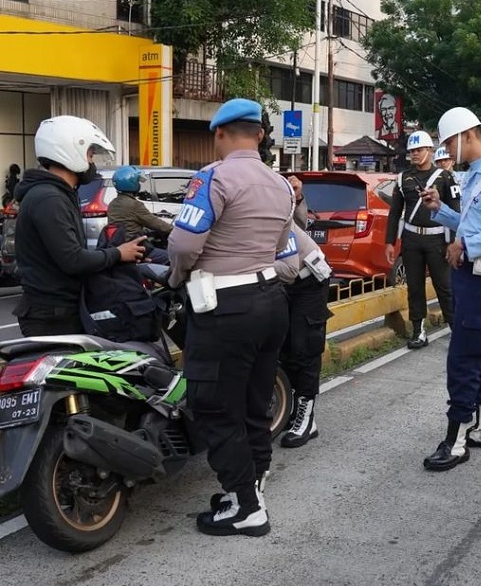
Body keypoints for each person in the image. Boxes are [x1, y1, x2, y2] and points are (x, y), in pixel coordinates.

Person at [168, 98, 294, 537]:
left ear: (219, 134)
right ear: (259, 135)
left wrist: (177, 276)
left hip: (225, 306)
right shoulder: (280, 185)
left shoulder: (212, 177)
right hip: (271, 301)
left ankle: (246, 508)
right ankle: (252, 487)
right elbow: (282, 245)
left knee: (214, 405)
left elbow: (184, 245)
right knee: (253, 405)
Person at [418, 107, 481, 471]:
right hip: (468, 275)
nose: (446, 150)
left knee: (463, 355)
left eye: (448, 141)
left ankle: (457, 437)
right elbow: (470, 223)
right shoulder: (476, 175)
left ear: (467, 135)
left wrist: (466, 246)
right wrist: (441, 210)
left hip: (480, 277)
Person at [12, 116, 146, 336]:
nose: (92, 162)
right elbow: (73, 259)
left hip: (60, 311)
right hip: (52, 317)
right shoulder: (49, 199)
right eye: (90, 155)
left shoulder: (57, 194)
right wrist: (118, 254)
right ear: (69, 151)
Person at [385, 131, 460, 349]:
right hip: (411, 239)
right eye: (412, 151)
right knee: (414, 286)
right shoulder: (403, 178)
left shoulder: (446, 177)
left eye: (419, 150)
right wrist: (390, 242)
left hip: (438, 239)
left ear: (430, 151)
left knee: (444, 286)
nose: (415, 154)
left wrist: (454, 242)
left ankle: (456, 328)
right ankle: (418, 330)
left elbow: (456, 210)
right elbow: (394, 212)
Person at [274, 201, 332, 449]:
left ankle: (307, 420)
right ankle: (291, 409)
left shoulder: (271, 214)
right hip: (283, 285)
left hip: (308, 281)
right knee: (283, 349)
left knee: (305, 348)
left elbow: (287, 269)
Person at [107, 165, 174, 264]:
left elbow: (127, 224)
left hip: (120, 245)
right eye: (138, 181)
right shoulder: (134, 205)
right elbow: (157, 224)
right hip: (137, 247)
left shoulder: (113, 203)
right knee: (174, 258)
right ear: (132, 183)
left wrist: (148, 230)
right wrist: (175, 230)